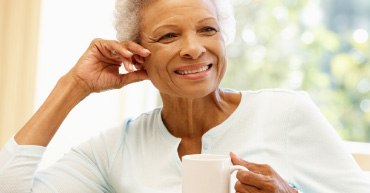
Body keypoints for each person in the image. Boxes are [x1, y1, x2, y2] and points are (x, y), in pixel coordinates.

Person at [0, 0, 369, 192]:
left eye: (207, 29)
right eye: (168, 36)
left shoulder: (287, 113)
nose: (194, 49)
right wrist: (73, 86)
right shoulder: (115, 149)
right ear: (134, 50)